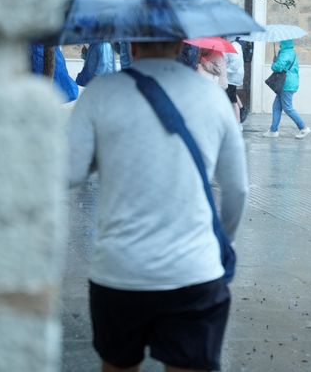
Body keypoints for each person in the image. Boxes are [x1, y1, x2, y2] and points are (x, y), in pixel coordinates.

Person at [67, 40, 248, 372]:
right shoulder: (211, 96)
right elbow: (237, 189)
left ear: (132, 43)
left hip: (120, 271)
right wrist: (225, 239)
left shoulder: (102, 92)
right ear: (181, 44)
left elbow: (70, 171)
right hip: (194, 270)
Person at [263, 39, 311, 139]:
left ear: (284, 43)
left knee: (288, 108)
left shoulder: (285, 53)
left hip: (286, 84)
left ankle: (303, 128)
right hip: (287, 83)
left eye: (281, 42)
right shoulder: (290, 52)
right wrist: (277, 59)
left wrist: (274, 63)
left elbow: (278, 67)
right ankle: (273, 130)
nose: (279, 44)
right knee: (276, 107)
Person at [225, 41, 245, 124]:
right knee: (232, 96)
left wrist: (226, 70)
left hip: (231, 77)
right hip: (232, 77)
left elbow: (235, 64)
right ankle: (241, 111)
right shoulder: (235, 45)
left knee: (232, 100)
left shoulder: (233, 46)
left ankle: (238, 121)